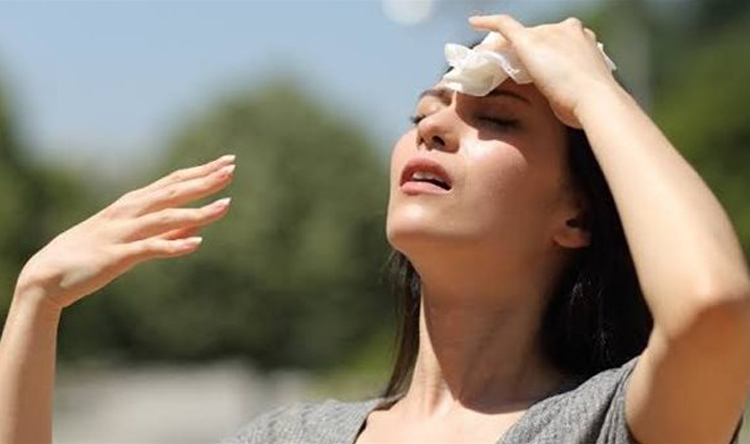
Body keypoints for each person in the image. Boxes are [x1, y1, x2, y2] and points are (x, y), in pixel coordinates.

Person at [1, 13, 749, 444]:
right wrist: (37, 303)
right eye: (422, 114)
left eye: (496, 119)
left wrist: (592, 87)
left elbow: (713, 308)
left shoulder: (607, 424)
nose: (434, 130)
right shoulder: (290, 439)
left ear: (576, 215)